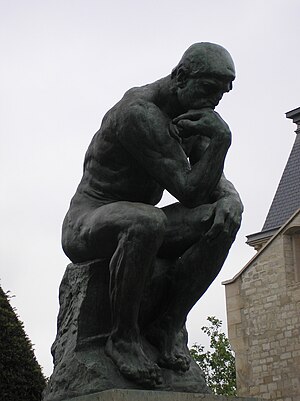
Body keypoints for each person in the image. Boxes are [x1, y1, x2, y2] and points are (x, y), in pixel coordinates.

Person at [62, 42, 243, 387]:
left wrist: (232, 198)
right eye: (209, 89)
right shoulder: (138, 113)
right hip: (89, 220)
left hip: (144, 221)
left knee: (223, 216)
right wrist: (222, 140)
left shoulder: (194, 115)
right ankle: (123, 338)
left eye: (221, 93)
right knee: (147, 220)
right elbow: (190, 190)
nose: (215, 100)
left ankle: (168, 324)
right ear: (180, 77)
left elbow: (213, 185)